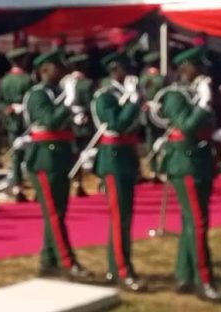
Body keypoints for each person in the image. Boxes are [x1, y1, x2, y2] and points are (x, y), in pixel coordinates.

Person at [155, 45, 221, 303]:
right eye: (198, 66)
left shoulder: (197, 93)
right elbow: (187, 125)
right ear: (185, 68)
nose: (203, 72)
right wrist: (204, 103)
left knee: (190, 220)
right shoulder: (174, 95)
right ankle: (205, 280)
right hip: (185, 163)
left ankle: (185, 274)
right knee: (197, 222)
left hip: (201, 161)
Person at [24, 49, 91, 280]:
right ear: (44, 70)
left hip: (60, 156)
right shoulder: (38, 94)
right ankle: (67, 261)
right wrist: (69, 103)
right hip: (45, 158)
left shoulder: (56, 92)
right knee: (54, 213)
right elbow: (50, 121)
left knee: (58, 212)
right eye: (57, 67)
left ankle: (48, 260)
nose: (62, 71)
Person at [91, 52, 147, 292]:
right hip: (112, 158)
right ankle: (123, 270)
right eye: (126, 68)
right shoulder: (105, 96)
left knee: (125, 216)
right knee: (119, 217)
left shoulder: (120, 94)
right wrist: (133, 102)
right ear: (116, 70)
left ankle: (117, 266)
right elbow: (116, 124)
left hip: (125, 157)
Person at [0, 47, 33, 202]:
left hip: (12, 120)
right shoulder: (27, 79)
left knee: (16, 155)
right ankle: (30, 184)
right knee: (30, 154)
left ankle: (17, 185)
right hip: (25, 120)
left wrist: (8, 108)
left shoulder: (4, 80)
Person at [67, 53, 94, 197]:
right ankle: (82, 181)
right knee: (86, 150)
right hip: (84, 119)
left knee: (74, 152)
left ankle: (77, 181)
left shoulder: (65, 83)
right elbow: (91, 103)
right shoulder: (87, 83)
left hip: (69, 120)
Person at [140, 51, 165, 181]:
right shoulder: (161, 78)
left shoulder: (142, 79)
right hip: (160, 113)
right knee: (162, 141)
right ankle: (162, 169)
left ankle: (153, 170)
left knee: (150, 142)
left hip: (147, 113)